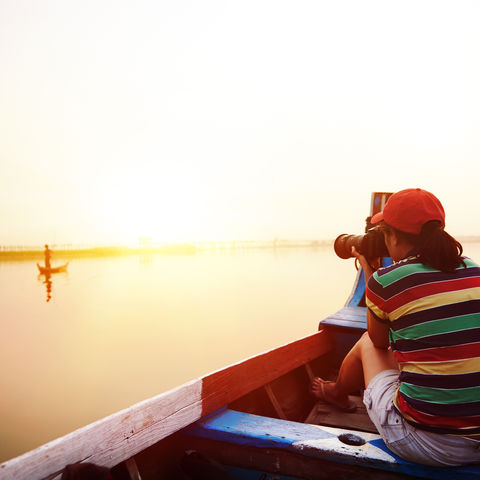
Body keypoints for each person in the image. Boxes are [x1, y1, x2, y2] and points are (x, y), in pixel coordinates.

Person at [312, 188, 480, 466]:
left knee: (367, 341)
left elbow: (378, 341)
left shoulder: (387, 281)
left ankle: (337, 393)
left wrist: (369, 270)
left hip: (428, 445)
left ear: (391, 236)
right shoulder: (474, 270)